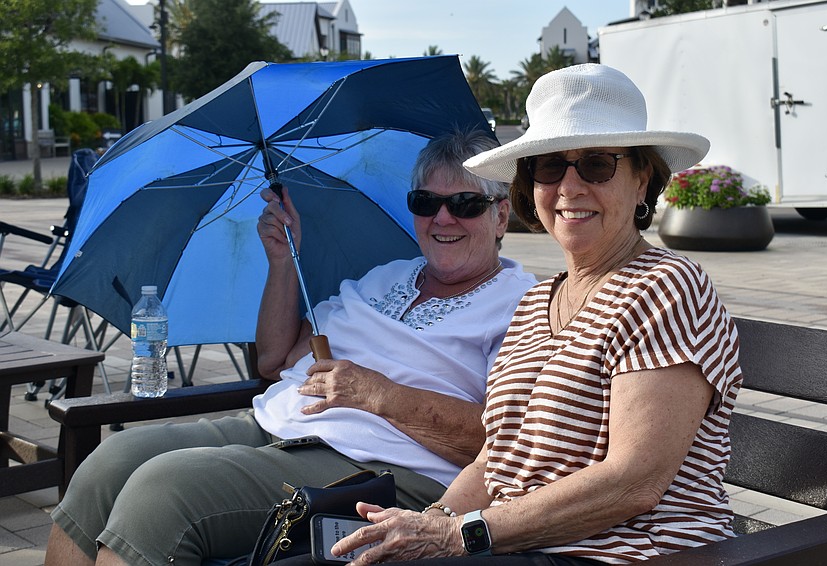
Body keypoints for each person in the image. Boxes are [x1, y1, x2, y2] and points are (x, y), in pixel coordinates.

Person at [44, 129, 537, 566]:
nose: (442, 217)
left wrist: (381, 395)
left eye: (465, 204)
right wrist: (283, 261)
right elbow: (276, 359)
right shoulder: (386, 277)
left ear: (500, 215)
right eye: (425, 202)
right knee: (111, 461)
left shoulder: (521, 305)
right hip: (272, 425)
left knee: (162, 491)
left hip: (381, 468)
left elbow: (504, 442)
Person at [325, 64, 743, 565]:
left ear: (641, 180)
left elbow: (635, 481)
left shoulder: (666, 288)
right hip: (519, 544)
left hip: (627, 553)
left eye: (595, 164)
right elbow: (493, 460)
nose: (569, 186)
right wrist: (431, 522)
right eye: (548, 166)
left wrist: (459, 536)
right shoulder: (536, 302)